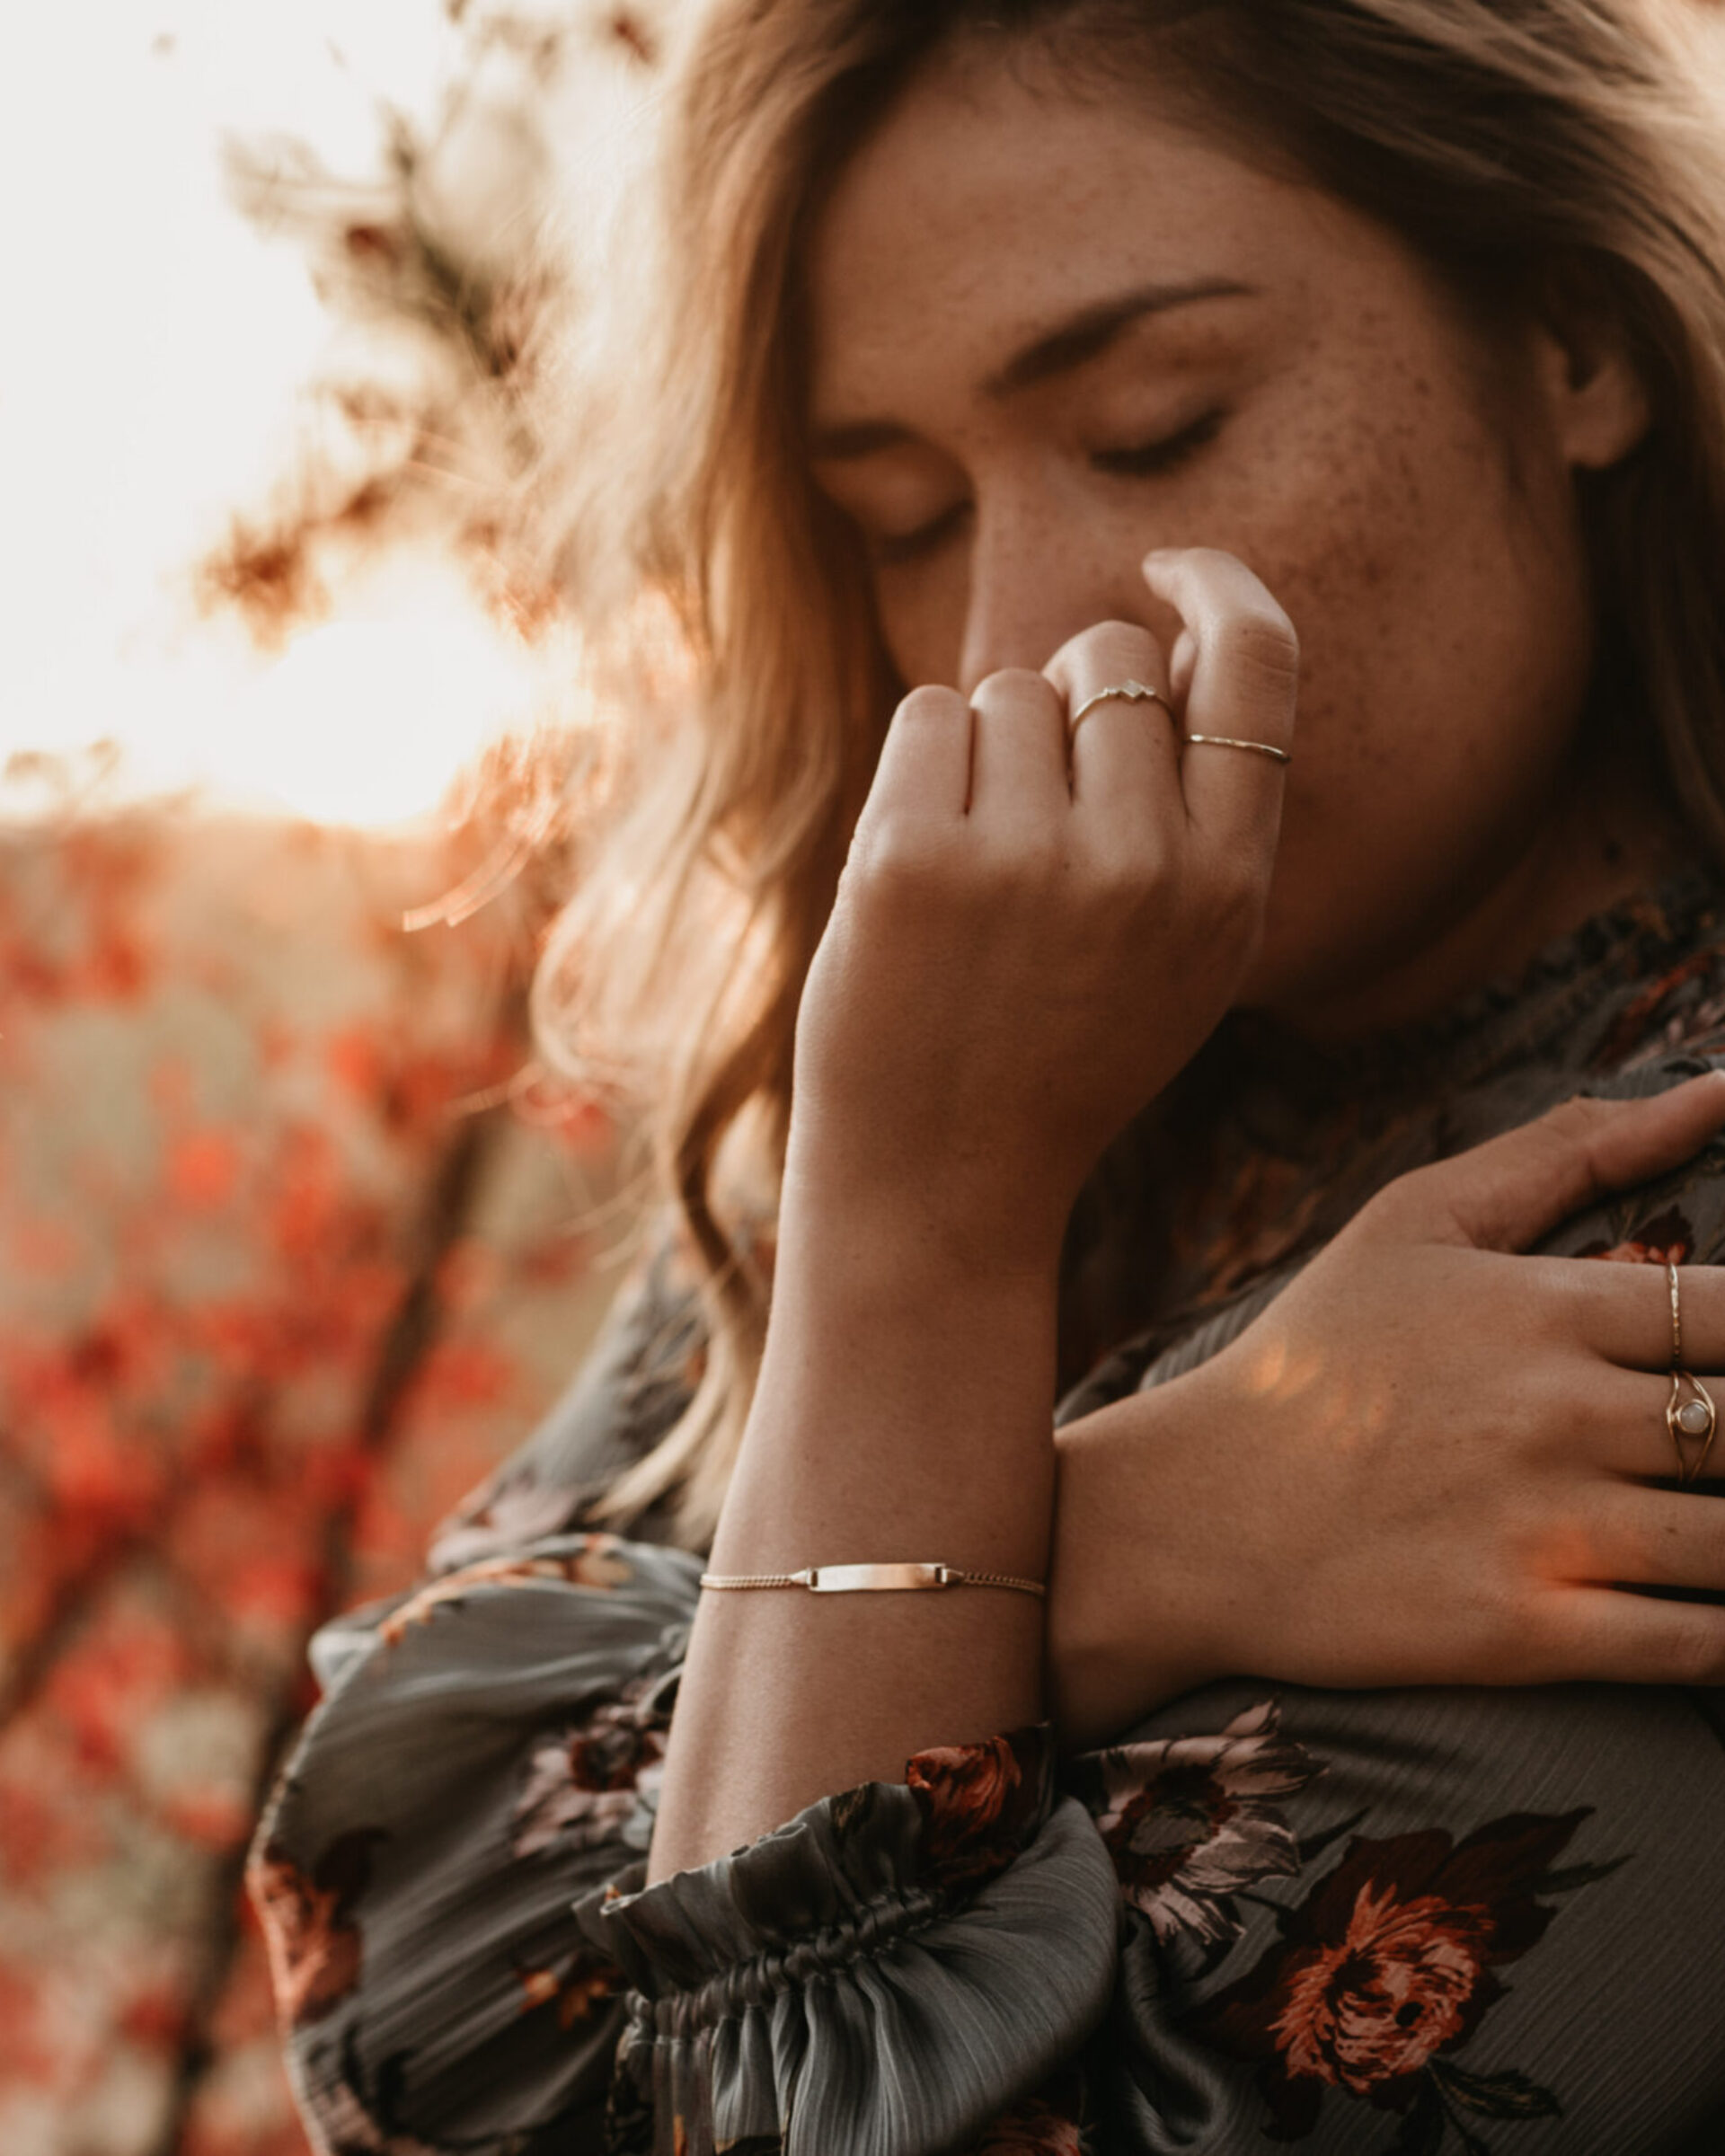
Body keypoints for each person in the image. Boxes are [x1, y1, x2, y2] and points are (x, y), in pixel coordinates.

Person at [246, 2, 1725, 2150]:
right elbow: (396, 1946)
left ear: (1577, 339)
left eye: (1156, 426)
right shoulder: (978, 1094)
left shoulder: (1658, 1229)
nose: (1020, 630)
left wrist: (914, 1388)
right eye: (902, 515)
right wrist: (1105, 1518)